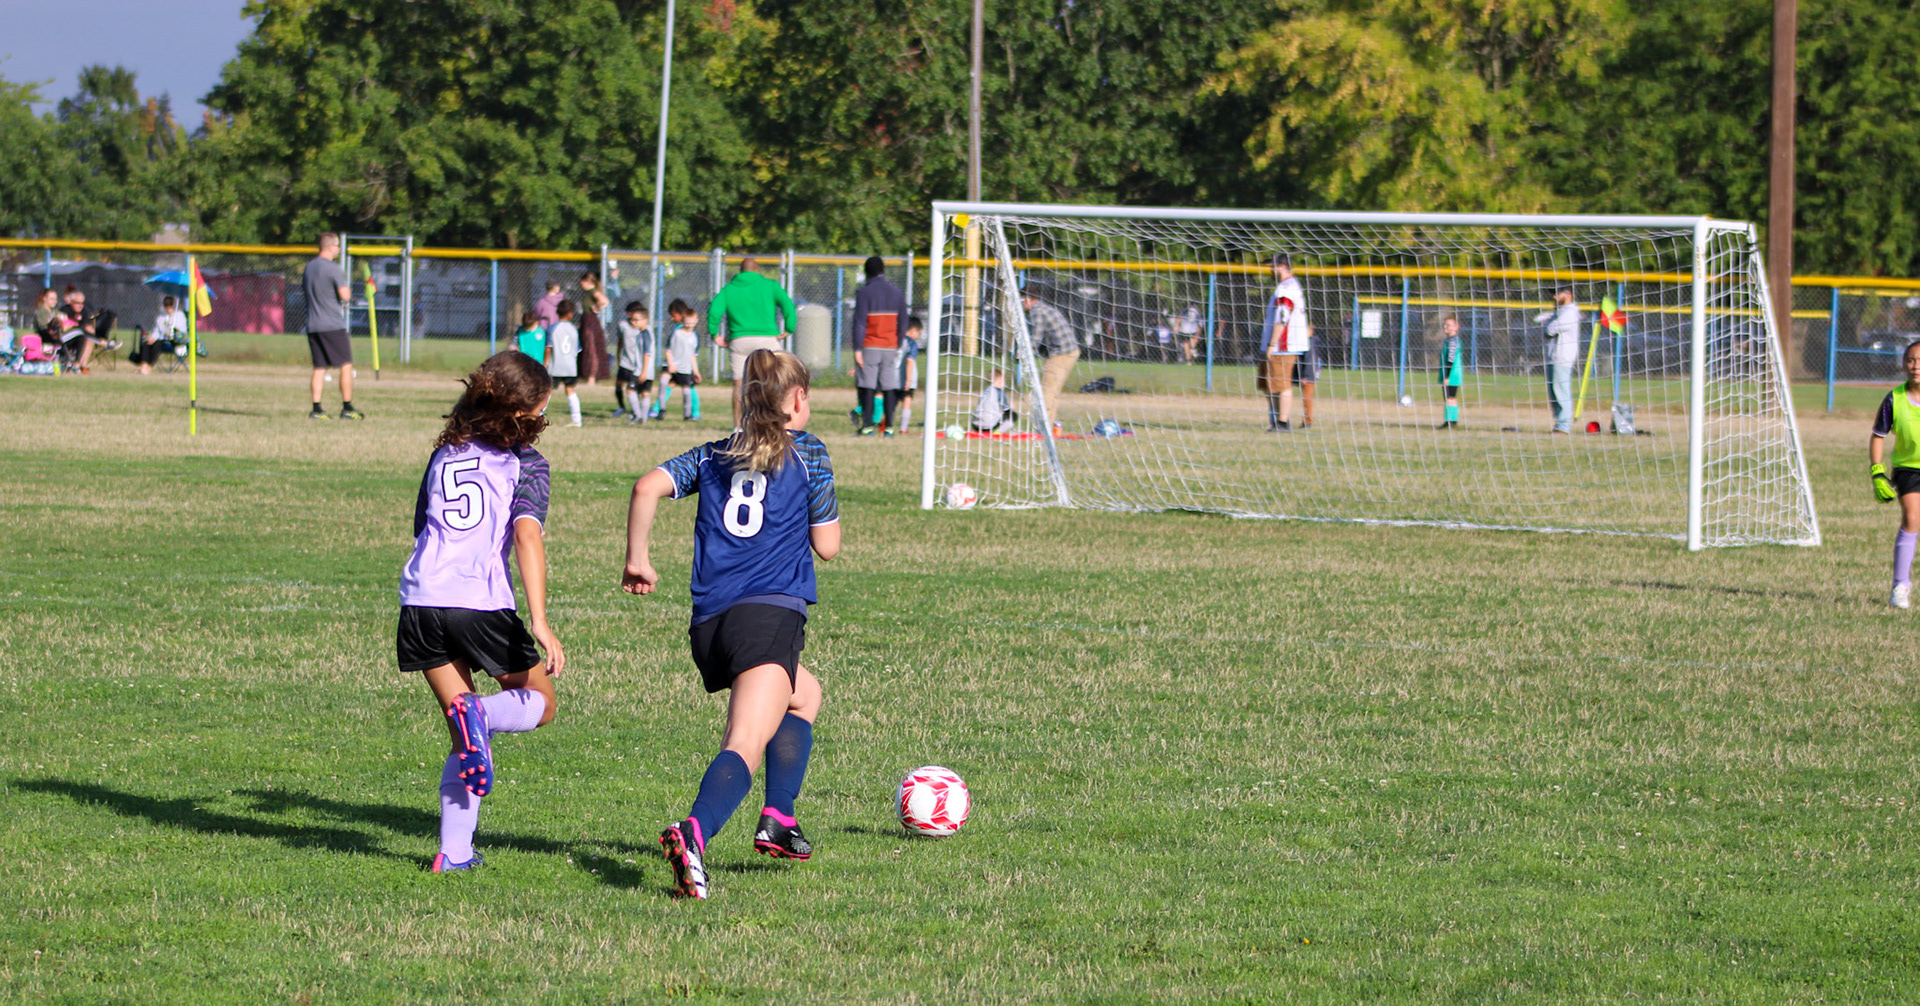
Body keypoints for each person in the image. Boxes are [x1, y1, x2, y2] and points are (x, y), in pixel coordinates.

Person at [621, 348, 839, 900]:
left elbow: (646, 487)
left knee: (805, 695)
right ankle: (693, 833)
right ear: (797, 398)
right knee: (744, 740)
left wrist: (638, 559)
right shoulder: (809, 452)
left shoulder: (713, 454)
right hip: (768, 616)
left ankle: (779, 818)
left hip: (711, 626)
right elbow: (828, 546)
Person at [397, 350, 565, 872]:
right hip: (479, 602)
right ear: (519, 414)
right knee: (541, 703)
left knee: (461, 732)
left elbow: (422, 524)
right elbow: (527, 535)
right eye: (541, 409)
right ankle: (484, 714)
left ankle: (455, 853)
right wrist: (540, 620)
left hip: (420, 600)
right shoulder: (526, 463)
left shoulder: (444, 453)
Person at [707, 256, 798, 424]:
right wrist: (789, 328)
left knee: (739, 384)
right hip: (766, 339)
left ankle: (738, 426)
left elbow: (714, 311)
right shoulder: (770, 285)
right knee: (774, 380)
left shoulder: (729, 289)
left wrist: (715, 334)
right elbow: (788, 305)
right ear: (757, 270)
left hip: (739, 340)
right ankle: (775, 421)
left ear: (740, 271)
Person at [1869, 340, 1920, 608]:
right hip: (1909, 468)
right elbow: (1878, 435)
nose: (1915, 366)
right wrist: (1877, 472)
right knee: (1912, 517)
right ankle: (1900, 586)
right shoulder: (1895, 398)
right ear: (1903, 364)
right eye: (1910, 360)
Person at [304, 233, 362, 419]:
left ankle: (316, 408)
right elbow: (345, 295)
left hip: (313, 324)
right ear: (330, 247)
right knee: (345, 365)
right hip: (332, 325)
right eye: (337, 246)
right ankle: (347, 407)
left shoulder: (309, 267)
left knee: (319, 367)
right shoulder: (333, 268)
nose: (339, 249)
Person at [851, 255, 907, 436]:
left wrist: (857, 349)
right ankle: (889, 427)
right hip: (890, 345)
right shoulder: (897, 292)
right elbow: (903, 322)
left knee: (867, 385)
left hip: (870, 345)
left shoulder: (864, 293)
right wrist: (897, 343)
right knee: (889, 386)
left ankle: (868, 426)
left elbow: (860, 323)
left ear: (867, 272)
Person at [1259, 253, 1310, 432]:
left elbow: (1282, 317)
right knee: (1270, 384)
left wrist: (1272, 344)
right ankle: (1276, 420)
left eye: (1272, 266)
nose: (1270, 270)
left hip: (1282, 345)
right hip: (1279, 344)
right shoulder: (1288, 286)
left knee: (1282, 384)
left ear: (1281, 266)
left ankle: (1282, 422)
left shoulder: (1286, 289)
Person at [1020, 286, 1079, 432]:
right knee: (1052, 392)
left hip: (1062, 353)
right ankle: (1048, 425)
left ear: (1028, 299)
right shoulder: (1044, 308)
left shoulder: (1036, 311)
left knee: (1047, 390)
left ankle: (1042, 427)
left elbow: (1036, 337)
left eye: (1022, 299)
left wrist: (1022, 354)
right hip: (1070, 351)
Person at [1535, 286, 1581, 434]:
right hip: (1553, 357)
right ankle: (1559, 423)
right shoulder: (1559, 312)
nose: (1554, 297)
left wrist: (1548, 324)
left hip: (1562, 357)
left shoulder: (1570, 313)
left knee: (1561, 391)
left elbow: (1550, 329)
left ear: (1568, 294)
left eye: (1558, 293)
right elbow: (1543, 324)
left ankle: (1564, 425)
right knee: (1554, 392)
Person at [614, 301, 656, 425]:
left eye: (636, 320)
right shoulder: (642, 333)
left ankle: (638, 416)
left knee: (630, 390)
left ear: (645, 320)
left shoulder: (645, 335)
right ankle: (643, 419)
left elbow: (646, 354)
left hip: (640, 370)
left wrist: (643, 372)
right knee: (644, 393)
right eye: (632, 320)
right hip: (647, 370)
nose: (633, 322)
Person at [547, 300, 583, 427]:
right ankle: (577, 419)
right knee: (570, 390)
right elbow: (578, 349)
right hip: (570, 367)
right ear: (570, 314)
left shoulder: (552, 328)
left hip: (555, 366)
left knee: (547, 391)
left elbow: (548, 347)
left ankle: (537, 415)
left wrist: (546, 363)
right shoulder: (574, 329)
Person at [666, 307, 703, 420]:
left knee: (688, 389)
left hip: (686, 369)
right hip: (675, 366)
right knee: (667, 385)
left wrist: (696, 371)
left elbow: (693, 355)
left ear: (696, 320)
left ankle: (693, 413)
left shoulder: (695, 336)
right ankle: (657, 409)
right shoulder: (676, 333)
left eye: (692, 322)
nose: (689, 325)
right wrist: (671, 364)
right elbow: (668, 350)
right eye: (687, 322)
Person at [136, 296, 189, 375]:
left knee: (157, 345)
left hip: (175, 341)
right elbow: (157, 330)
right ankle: (144, 365)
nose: (168, 307)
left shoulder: (180, 315)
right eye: (166, 304)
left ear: (173, 305)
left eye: (170, 304)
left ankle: (150, 366)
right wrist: (153, 338)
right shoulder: (161, 317)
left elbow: (182, 331)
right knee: (146, 343)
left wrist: (173, 330)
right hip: (163, 340)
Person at [577, 270, 611, 390]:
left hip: (590, 322)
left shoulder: (593, 292)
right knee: (588, 348)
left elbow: (605, 301)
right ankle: (588, 375)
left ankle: (592, 376)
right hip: (586, 321)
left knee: (591, 349)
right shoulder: (588, 293)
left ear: (587, 281)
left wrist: (597, 307)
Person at [893, 317, 922, 435]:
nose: (918, 336)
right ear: (913, 330)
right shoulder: (911, 344)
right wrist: (908, 380)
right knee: (907, 400)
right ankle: (903, 428)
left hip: (892, 376)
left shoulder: (895, 339)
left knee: (891, 402)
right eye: (919, 333)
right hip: (906, 377)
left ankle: (886, 425)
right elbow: (910, 362)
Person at [1437, 314, 1464, 429]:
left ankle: (1450, 421)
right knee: (1450, 397)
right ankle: (1451, 420)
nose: (1445, 327)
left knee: (1450, 397)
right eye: (1445, 325)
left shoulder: (1453, 341)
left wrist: (1447, 376)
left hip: (1452, 374)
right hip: (1451, 374)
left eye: (1449, 325)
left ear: (1456, 327)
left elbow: (1451, 359)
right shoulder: (1449, 341)